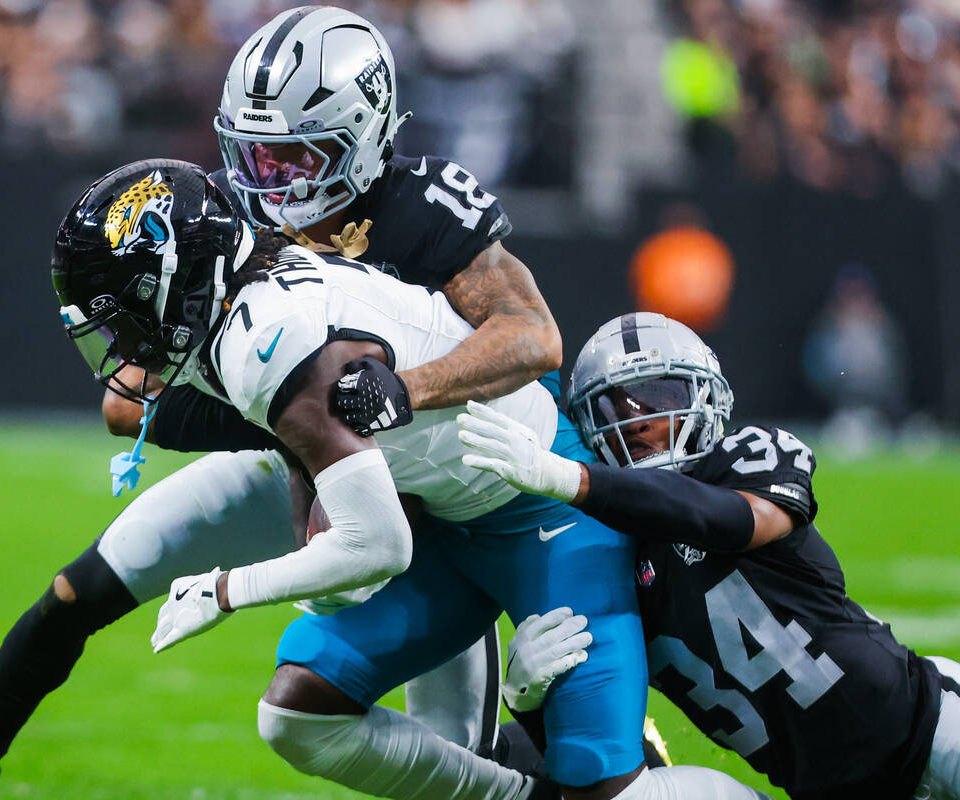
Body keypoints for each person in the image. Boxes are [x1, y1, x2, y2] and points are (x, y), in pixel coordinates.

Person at [0, 8, 559, 797]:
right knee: (85, 587)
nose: (267, 182)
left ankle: (549, 751)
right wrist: (296, 421)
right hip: (283, 447)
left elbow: (533, 339)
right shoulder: (219, 209)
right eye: (254, 154)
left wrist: (400, 392)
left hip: (427, 495)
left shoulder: (421, 203)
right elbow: (127, 399)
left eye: (292, 156)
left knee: (454, 754)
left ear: (364, 132)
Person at [45, 159, 768, 800]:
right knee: (296, 710)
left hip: (541, 514)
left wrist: (228, 588)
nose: (121, 340)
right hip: (444, 523)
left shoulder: (264, 342)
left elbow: (377, 548)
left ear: (173, 276)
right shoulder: (239, 311)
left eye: (126, 308)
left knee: (606, 786)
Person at [457, 311, 960, 800]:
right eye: (620, 407)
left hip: (934, 730)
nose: (641, 420)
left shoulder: (744, 461)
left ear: (703, 397)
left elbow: (727, 521)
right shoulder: (607, 563)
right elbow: (624, 768)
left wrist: (576, 481)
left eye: (660, 399)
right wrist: (530, 702)